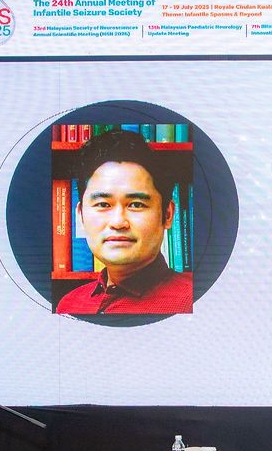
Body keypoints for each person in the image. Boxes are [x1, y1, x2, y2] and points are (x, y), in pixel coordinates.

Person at [55, 129, 193, 314]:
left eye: (136, 204)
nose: (118, 222)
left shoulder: (194, 301)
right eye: (103, 204)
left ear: (167, 215)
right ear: (80, 216)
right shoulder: (68, 305)